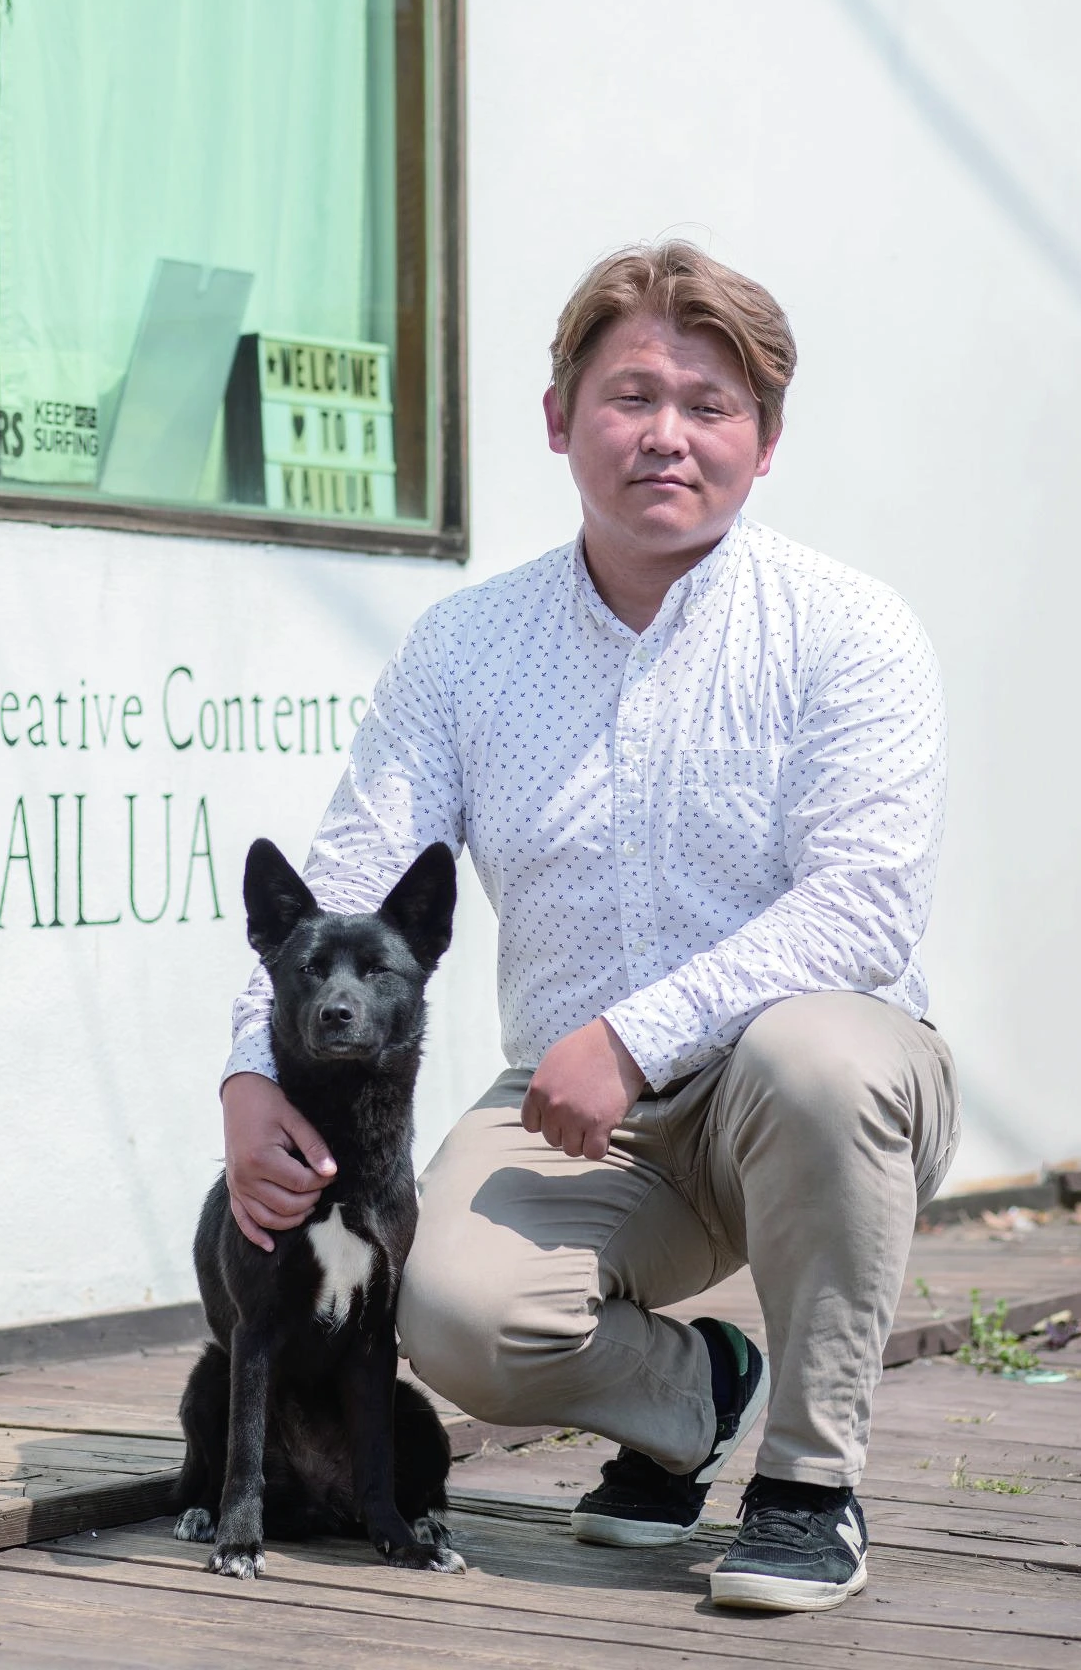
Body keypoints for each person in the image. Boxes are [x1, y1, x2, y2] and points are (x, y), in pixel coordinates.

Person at [220, 241, 960, 1614]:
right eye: (631, 396)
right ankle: (697, 1393)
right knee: (444, 1306)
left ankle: (809, 1489)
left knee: (817, 1058)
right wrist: (251, 1074)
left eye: (710, 404)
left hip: (805, 1098)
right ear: (560, 419)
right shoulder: (466, 650)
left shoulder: (850, 631)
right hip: (574, 1113)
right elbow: (348, 877)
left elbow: (862, 906)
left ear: (765, 442)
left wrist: (633, 1035)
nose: (667, 434)